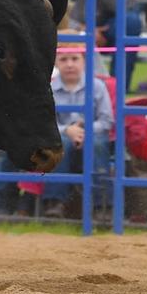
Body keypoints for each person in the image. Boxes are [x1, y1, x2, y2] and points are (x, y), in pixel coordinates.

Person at [42, 48, 114, 218]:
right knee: (61, 144)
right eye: (64, 59)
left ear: (84, 61)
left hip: (93, 134)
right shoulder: (48, 87)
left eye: (74, 59)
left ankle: (103, 205)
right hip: (61, 137)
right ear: (56, 63)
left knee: (95, 143)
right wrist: (67, 130)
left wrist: (84, 131)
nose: (69, 64)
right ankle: (54, 202)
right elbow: (45, 122)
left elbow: (107, 120)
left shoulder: (97, 86)